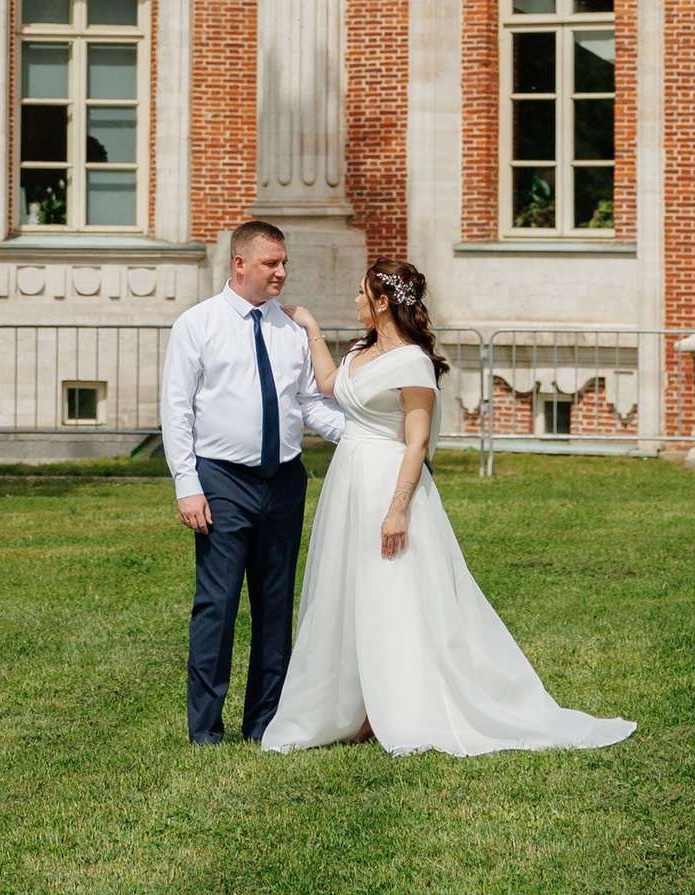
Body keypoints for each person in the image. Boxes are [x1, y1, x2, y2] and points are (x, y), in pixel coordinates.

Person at [263, 257, 634, 758]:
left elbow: (416, 443)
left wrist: (397, 509)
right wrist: (309, 328)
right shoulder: (358, 351)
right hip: (347, 482)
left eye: (360, 292)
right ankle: (352, 706)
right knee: (344, 590)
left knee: (392, 592)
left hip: (387, 483)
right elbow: (331, 386)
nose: (354, 301)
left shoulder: (413, 363)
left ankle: (395, 705)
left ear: (383, 300)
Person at [159, 218, 347, 743]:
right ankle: (205, 729)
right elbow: (176, 411)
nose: (281, 272)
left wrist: (359, 437)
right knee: (216, 606)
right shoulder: (197, 325)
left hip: (284, 480)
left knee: (274, 606)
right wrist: (186, 484)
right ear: (240, 263)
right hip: (221, 481)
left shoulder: (289, 329)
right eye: (271, 263)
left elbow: (310, 403)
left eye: (284, 262)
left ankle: (264, 723)